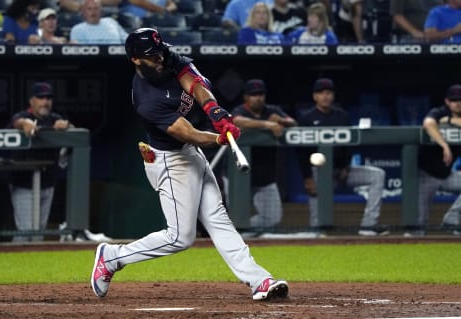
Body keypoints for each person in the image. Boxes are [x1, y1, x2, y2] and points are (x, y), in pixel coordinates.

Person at [90, 27, 289, 301]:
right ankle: (112, 257)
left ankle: (259, 281)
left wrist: (214, 110)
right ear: (135, 59)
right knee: (180, 238)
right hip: (170, 162)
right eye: (151, 55)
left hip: (190, 154)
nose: (159, 58)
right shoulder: (146, 100)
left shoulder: (166, 56)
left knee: (219, 220)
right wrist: (219, 138)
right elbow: (187, 132)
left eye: (160, 51)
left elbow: (194, 84)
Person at [297, 78, 387, 236]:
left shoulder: (342, 115)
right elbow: (301, 151)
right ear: (314, 97)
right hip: (319, 173)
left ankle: (368, 226)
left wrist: (346, 166)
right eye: (321, 93)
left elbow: (348, 144)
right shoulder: (306, 118)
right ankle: (318, 234)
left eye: (328, 93)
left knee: (377, 175)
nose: (325, 96)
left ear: (332, 96)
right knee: (317, 229)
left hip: (341, 171)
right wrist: (307, 178)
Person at [8, 82, 74, 242]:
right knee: (26, 232)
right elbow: (17, 122)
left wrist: (67, 126)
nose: (45, 101)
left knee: (38, 232)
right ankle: (16, 262)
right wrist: (25, 124)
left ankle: (27, 265)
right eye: (41, 97)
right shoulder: (23, 116)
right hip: (23, 183)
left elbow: (75, 133)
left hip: (47, 183)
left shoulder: (55, 118)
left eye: (48, 98)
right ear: (32, 100)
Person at [231, 79, 297, 229]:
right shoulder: (240, 110)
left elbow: (293, 123)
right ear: (246, 97)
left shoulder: (272, 110)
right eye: (254, 95)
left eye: (260, 94)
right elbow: (237, 121)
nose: (258, 98)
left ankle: (244, 232)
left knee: (272, 218)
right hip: (238, 176)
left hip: (265, 175)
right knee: (235, 216)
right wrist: (268, 124)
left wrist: (280, 120)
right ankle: (236, 235)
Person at [410, 84, 461, 236]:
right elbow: (428, 124)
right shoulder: (438, 112)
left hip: (446, 176)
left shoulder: (450, 116)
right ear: (447, 101)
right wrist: (444, 145)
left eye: (460, 100)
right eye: (454, 100)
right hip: (426, 176)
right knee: (420, 226)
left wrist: (451, 122)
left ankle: (451, 219)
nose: (457, 103)